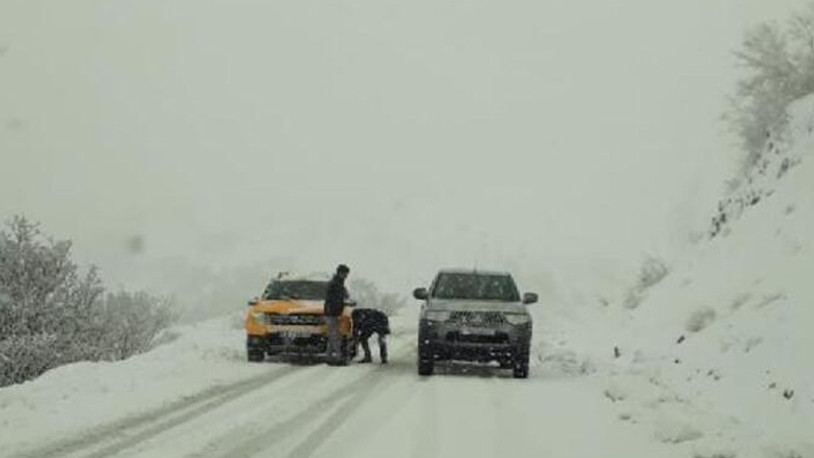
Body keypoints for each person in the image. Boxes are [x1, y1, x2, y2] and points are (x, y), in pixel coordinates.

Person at [324, 264, 351, 365]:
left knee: (332, 336)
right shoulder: (335, 284)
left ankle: (329, 357)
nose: (346, 276)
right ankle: (339, 358)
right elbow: (333, 300)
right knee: (335, 336)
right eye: (345, 274)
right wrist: (343, 303)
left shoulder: (338, 283)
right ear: (340, 273)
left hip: (333, 312)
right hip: (332, 313)